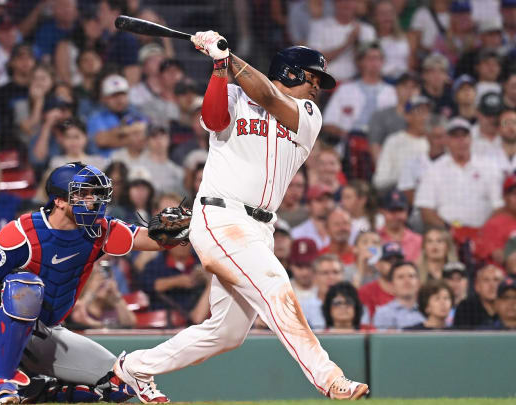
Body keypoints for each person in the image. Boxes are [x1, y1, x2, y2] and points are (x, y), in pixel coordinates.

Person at [111, 37, 368, 401]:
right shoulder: (233, 94)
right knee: (275, 284)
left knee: (227, 332)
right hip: (220, 214)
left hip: (260, 227)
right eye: (312, 78)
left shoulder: (309, 114)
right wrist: (219, 68)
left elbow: (269, 98)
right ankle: (328, 376)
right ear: (290, 71)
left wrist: (229, 58)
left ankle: (133, 368)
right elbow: (213, 119)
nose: (316, 86)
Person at [0, 162, 178, 404]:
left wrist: (181, 228)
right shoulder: (22, 233)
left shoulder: (98, 229)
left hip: (46, 330)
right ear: (59, 201)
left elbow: (151, 240)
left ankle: (38, 389)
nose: (92, 200)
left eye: (94, 193)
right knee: (25, 286)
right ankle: (2, 382)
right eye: (82, 194)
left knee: (118, 383)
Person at [415, 117, 503, 229]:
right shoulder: (434, 170)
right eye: (455, 137)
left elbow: (499, 206)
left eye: (464, 136)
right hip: (447, 234)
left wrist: (484, 231)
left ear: (471, 139)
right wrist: (450, 229)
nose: (460, 141)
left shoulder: (489, 167)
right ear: (447, 140)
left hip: (483, 232)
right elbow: (426, 209)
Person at [372, 95, 431, 192]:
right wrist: (405, 179)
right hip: (399, 194)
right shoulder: (394, 141)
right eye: (420, 112)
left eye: (427, 112)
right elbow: (380, 180)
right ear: (407, 116)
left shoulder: (436, 141)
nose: (425, 117)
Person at [474, 175, 516, 264]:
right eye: (515, 194)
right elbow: (498, 257)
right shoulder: (494, 224)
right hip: (505, 275)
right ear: (505, 198)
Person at [372, 261, 425, 330]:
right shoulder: (383, 314)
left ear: (419, 283)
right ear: (391, 285)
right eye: (400, 277)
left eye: (411, 276)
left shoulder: (429, 311)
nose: (407, 281)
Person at [300, 254, 346, 330]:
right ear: (314, 277)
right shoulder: (302, 308)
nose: (331, 277)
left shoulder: (353, 306)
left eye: (336, 272)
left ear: (343, 275)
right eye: (325, 273)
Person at [358, 242, 402, 320]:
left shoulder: (412, 289)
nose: (394, 265)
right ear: (378, 264)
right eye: (389, 261)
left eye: (398, 261)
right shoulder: (366, 291)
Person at [453, 264, 503, 329]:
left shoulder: (510, 307)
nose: (492, 285)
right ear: (477, 286)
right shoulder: (465, 308)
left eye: (496, 280)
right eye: (486, 280)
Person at [377, 190, 422, 262]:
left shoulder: (418, 241)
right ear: (382, 211)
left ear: (407, 211)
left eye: (400, 210)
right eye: (392, 210)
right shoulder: (374, 238)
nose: (396, 216)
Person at [291, 185, 336, 250]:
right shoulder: (297, 233)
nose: (325, 204)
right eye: (319, 200)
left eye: (328, 200)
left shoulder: (340, 229)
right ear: (308, 205)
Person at [289, 238, 319, 303]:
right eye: (299, 266)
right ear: (291, 265)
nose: (304, 273)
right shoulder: (283, 290)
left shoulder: (325, 288)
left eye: (309, 265)